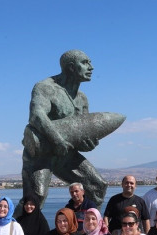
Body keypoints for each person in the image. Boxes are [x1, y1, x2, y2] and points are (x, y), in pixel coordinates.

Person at [21, 49, 110, 211]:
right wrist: (57, 140)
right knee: (35, 198)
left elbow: (81, 133)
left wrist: (88, 144)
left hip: (65, 155)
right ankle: (19, 232)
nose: (91, 67)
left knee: (97, 187)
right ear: (71, 67)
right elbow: (37, 116)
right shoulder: (46, 88)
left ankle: (84, 228)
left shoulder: (82, 99)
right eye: (85, 63)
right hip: (41, 153)